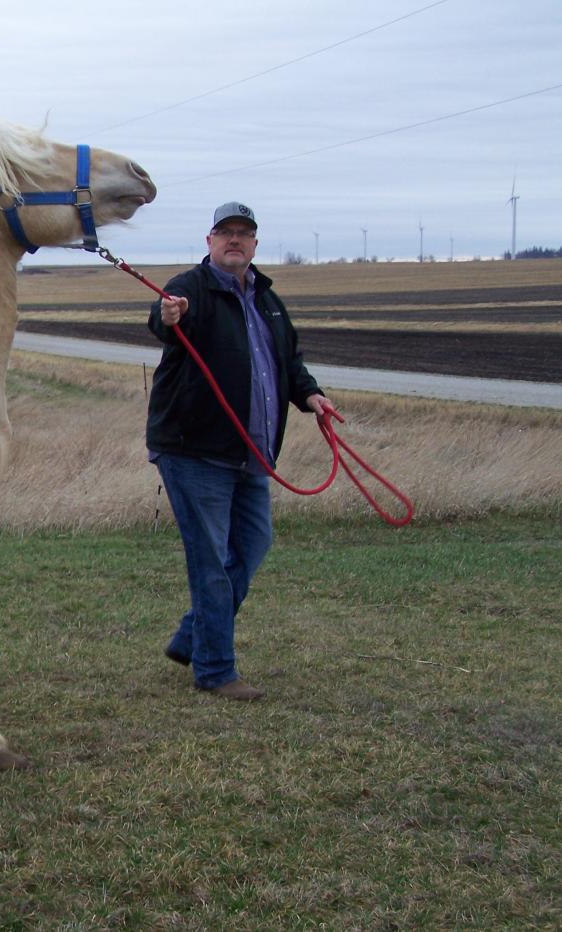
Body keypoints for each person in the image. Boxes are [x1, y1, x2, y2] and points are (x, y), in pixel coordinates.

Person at [147, 202, 334, 700]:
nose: (235, 240)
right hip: (194, 451)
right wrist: (169, 315)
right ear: (208, 241)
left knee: (251, 548)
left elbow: (288, 360)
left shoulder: (268, 299)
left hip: (252, 454)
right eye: (225, 232)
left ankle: (194, 635)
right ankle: (215, 670)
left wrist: (310, 394)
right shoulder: (191, 289)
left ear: (255, 243)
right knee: (210, 562)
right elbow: (165, 320)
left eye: (244, 234)